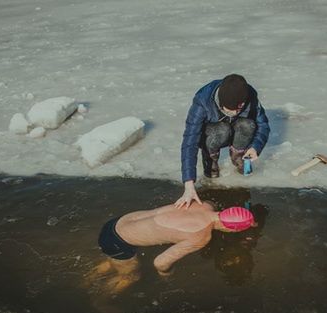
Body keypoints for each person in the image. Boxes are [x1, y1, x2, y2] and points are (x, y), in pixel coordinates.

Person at [90, 202, 256, 294]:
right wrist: (166, 275)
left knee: (118, 261)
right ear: (232, 229)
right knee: (130, 277)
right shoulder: (201, 237)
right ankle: (98, 300)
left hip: (117, 223)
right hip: (119, 242)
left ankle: (96, 272)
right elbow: (160, 262)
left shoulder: (204, 205)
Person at [175, 74, 271, 209]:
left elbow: (263, 125)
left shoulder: (249, 95)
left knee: (248, 125)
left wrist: (255, 147)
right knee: (222, 130)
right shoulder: (203, 99)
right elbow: (190, 140)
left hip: (237, 130)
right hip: (213, 134)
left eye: (239, 110)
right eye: (230, 111)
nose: (236, 113)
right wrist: (189, 183)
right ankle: (211, 164)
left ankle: (239, 157)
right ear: (220, 103)